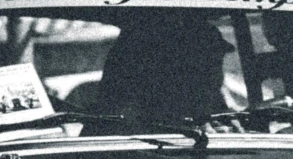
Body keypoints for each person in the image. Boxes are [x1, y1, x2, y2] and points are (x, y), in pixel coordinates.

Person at [81, 12, 237, 136]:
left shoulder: (211, 109)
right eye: (204, 66)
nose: (214, 76)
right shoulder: (121, 122)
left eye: (216, 63)